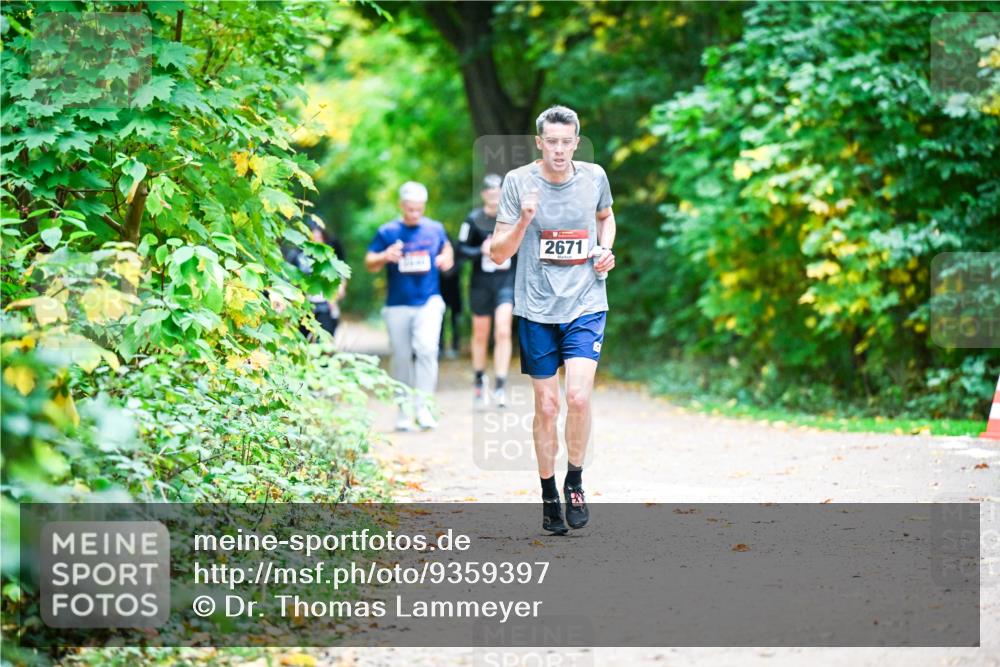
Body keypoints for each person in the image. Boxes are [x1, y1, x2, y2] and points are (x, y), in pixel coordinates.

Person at [489, 106, 616, 535]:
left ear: (576, 142)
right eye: (552, 142)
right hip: (537, 308)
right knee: (547, 405)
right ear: (539, 142)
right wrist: (526, 218)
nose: (559, 150)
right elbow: (497, 253)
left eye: (567, 142)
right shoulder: (517, 183)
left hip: (585, 302)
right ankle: (548, 493)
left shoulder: (595, 177)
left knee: (578, 398)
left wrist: (604, 249)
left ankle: (575, 480)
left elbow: (605, 217)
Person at [365, 181, 454, 431]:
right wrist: (385, 256)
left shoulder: (434, 229)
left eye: (419, 209)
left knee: (426, 350)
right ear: (401, 206)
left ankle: (423, 408)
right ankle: (404, 411)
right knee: (402, 357)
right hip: (397, 304)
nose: (415, 214)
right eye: (410, 209)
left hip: (428, 301)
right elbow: (369, 262)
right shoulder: (387, 231)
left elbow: (447, 249)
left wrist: (446, 258)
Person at [457, 174, 515, 409]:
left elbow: (524, 249)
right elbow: (460, 249)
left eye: (498, 190)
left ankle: (500, 385)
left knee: (503, 331)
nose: (494, 194)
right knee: (481, 333)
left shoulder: (512, 218)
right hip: (480, 284)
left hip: (506, 282)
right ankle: (480, 380)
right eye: (489, 190)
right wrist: (479, 251)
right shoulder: (472, 220)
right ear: (483, 194)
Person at [308, 219, 347, 338]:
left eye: (319, 237)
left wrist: (339, 289)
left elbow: (341, 276)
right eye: (313, 237)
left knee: (326, 339)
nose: (316, 240)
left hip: (326, 304)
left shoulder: (331, 257)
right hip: (306, 305)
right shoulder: (300, 257)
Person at [438, 229, 463, 360]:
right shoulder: (436, 251)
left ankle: (455, 346)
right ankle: (440, 347)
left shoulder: (456, 250)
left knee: (455, 320)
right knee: (439, 321)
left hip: (454, 291)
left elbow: (459, 266)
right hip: (440, 291)